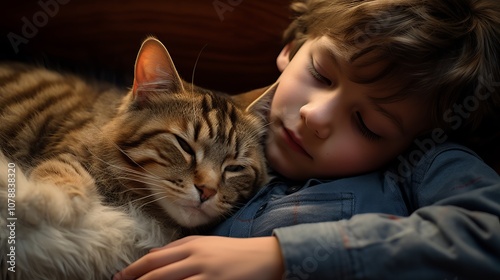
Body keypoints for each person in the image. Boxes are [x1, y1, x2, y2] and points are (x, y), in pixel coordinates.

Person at [114, 0, 500, 279]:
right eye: (321, 74)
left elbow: (489, 232)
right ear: (293, 49)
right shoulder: (216, 120)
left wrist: (282, 256)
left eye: (368, 125)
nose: (315, 116)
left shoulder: (423, 164)